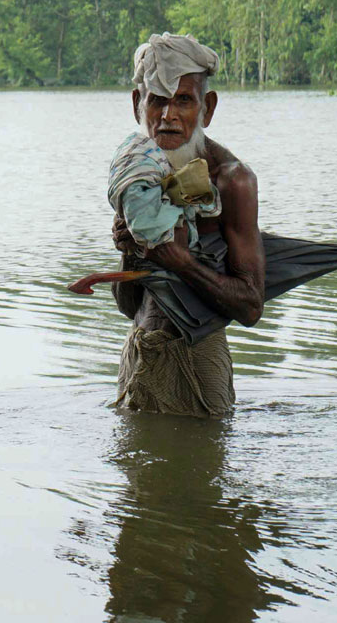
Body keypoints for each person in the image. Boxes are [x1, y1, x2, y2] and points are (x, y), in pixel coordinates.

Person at [111, 33, 265, 417]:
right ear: (137, 104)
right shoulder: (139, 179)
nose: (168, 116)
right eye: (157, 100)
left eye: (183, 100)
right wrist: (130, 249)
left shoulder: (232, 180)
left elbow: (250, 307)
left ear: (207, 108)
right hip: (140, 348)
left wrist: (181, 262)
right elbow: (128, 306)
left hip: (201, 361)